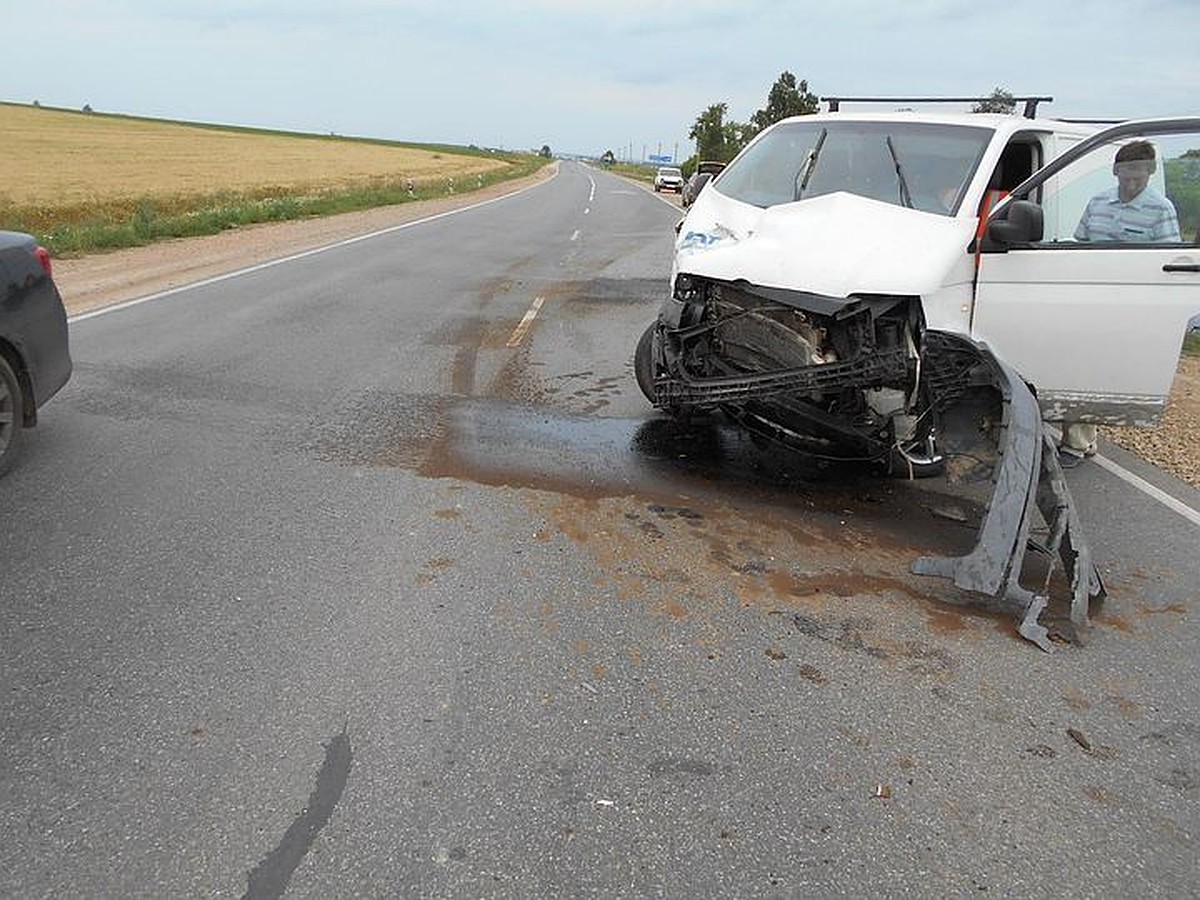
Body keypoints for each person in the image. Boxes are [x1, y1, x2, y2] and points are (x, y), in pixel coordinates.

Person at [1059, 141, 1181, 467]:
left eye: (1139, 171)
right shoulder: (1098, 202)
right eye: (1127, 170)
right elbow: (1081, 244)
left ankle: (1077, 442)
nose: (1132, 178)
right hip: (1092, 296)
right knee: (1078, 364)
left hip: (1130, 301)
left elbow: (1168, 261)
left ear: (1150, 172)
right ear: (1116, 170)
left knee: (1091, 368)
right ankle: (1081, 440)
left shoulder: (1160, 209)